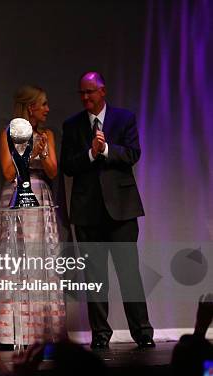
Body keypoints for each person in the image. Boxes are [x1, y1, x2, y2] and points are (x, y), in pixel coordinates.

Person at [61, 71, 154, 349]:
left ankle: (142, 332)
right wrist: (90, 153)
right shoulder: (73, 125)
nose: (85, 97)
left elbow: (132, 154)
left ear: (103, 91)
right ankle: (100, 334)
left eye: (90, 91)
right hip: (88, 212)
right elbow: (67, 165)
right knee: (94, 277)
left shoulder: (124, 118)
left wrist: (105, 150)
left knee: (129, 274)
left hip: (122, 212)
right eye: (81, 93)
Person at [0, 85, 66, 346]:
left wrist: (43, 150)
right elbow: (8, 172)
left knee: (40, 260)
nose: (47, 109)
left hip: (40, 196)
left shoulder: (47, 134)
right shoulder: (8, 133)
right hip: (16, 194)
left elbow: (52, 172)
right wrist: (28, 151)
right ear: (31, 107)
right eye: (43, 104)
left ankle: (44, 330)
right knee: (14, 261)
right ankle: (11, 332)